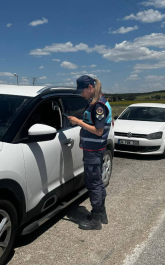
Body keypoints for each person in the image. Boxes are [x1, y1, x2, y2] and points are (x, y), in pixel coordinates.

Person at [67, 75, 112, 230]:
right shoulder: (96, 103)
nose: (81, 94)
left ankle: (96, 220)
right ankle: (101, 214)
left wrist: (79, 122)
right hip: (94, 150)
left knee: (93, 183)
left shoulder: (99, 106)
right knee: (97, 182)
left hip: (94, 150)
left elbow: (98, 131)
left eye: (82, 91)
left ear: (90, 88)